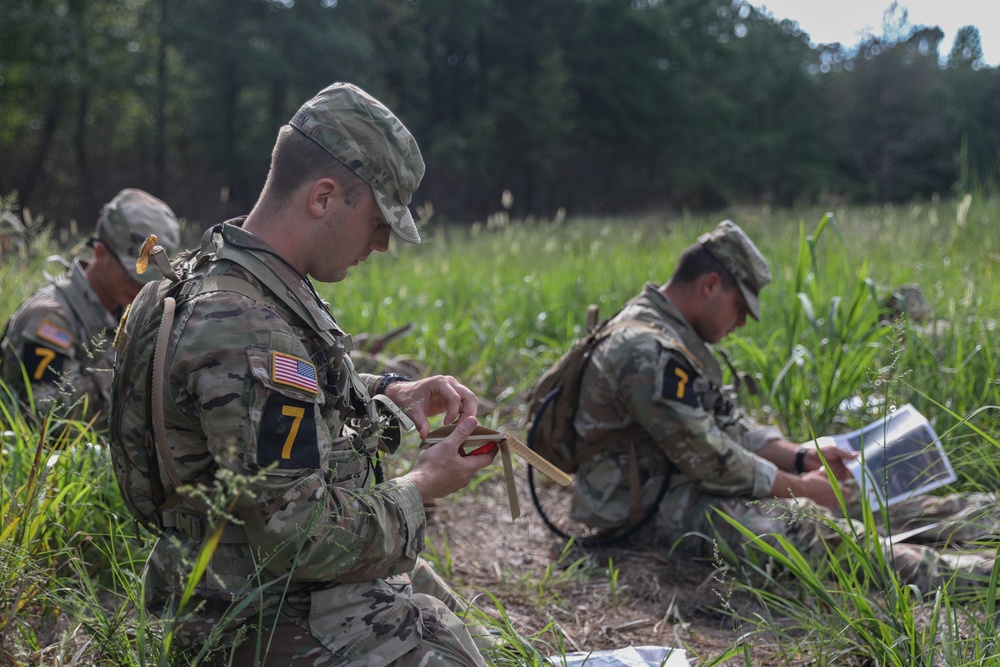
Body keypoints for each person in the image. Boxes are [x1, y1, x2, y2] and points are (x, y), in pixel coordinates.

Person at [110, 82, 497, 666]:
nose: (384, 243)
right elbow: (301, 536)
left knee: (476, 636)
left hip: (253, 580)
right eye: (377, 220)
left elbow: (272, 409)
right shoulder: (244, 325)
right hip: (247, 611)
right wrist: (424, 485)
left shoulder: (233, 276)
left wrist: (391, 393)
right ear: (323, 197)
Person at [569, 220, 998, 592]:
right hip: (647, 506)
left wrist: (801, 456)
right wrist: (802, 487)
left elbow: (730, 429)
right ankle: (984, 578)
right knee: (813, 529)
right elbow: (709, 459)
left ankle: (986, 514)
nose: (741, 321)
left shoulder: (671, 339)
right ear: (710, 285)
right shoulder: (645, 351)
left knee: (856, 494)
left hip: (682, 482)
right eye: (741, 307)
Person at [0, 189, 180, 427]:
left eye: (150, 280)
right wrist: (125, 359)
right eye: (132, 276)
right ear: (100, 253)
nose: (141, 288)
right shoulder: (50, 318)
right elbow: (49, 418)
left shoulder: (122, 307)